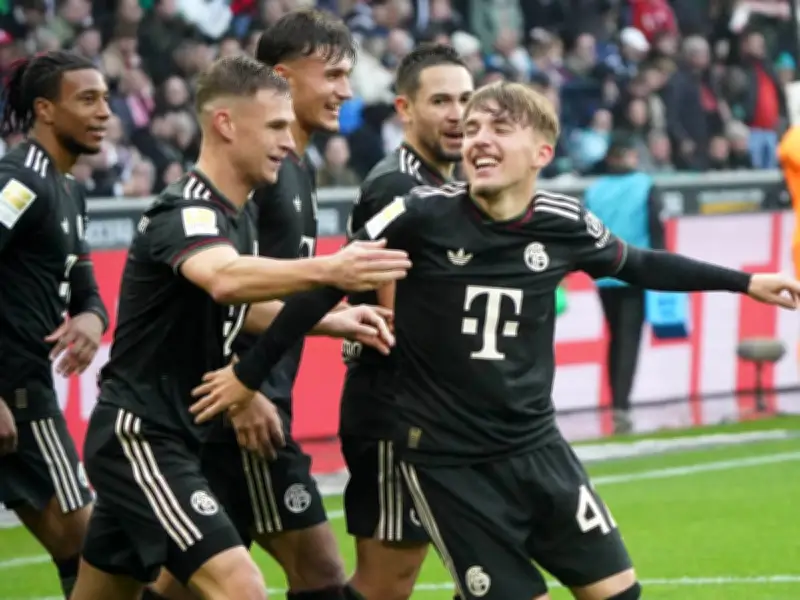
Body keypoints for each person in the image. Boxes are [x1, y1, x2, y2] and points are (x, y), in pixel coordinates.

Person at [189, 81, 800, 600]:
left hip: (538, 451)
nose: (478, 138)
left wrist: (747, 282)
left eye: (499, 129)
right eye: (474, 127)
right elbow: (322, 289)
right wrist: (248, 375)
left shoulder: (564, 222)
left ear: (541, 152)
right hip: (451, 466)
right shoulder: (418, 214)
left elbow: (639, 263)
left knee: (620, 593)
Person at [70, 55, 410, 600]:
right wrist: (331, 270)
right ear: (226, 124)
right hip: (141, 435)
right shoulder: (187, 211)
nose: (287, 141)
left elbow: (238, 306)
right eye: (274, 127)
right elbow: (225, 280)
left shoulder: (237, 214)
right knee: (240, 586)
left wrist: (332, 320)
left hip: (178, 434)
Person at [149, 9, 372, 600]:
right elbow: (223, 288)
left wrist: (335, 319)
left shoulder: (296, 167)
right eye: (332, 75)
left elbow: (266, 291)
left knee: (181, 582)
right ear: (283, 78)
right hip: (244, 402)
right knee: (320, 574)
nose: (345, 91)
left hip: (251, 395)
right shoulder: (257, 173)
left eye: (347, 76)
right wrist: (244, 387)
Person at [340, 43, 473, 600]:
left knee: (489, 565)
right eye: (440, 101)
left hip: (439, 408)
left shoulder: (450, 184)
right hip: (398, 408)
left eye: (465, 99)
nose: (458, 114)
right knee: (386, 583)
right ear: (405, 108)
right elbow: (398, 319)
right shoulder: (398, 186)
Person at [0, 50, 111, 599]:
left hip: (26, 393)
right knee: (94, 554)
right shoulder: (18, 184)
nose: (104, 112)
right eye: (87, 99)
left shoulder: (69, 191)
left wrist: (91, 319)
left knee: (87, 552)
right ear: (45, 109)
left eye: (106, 99)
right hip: (15, 395)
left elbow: (87, 291)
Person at [584, 135, 665, 434]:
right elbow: (656, 229)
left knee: (615, 337)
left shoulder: (594, 190)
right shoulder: (645, 185)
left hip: (604, 274)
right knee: (629, 339)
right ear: (629, 155)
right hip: (636, 271)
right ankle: (621, 406)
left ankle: (616, 403)